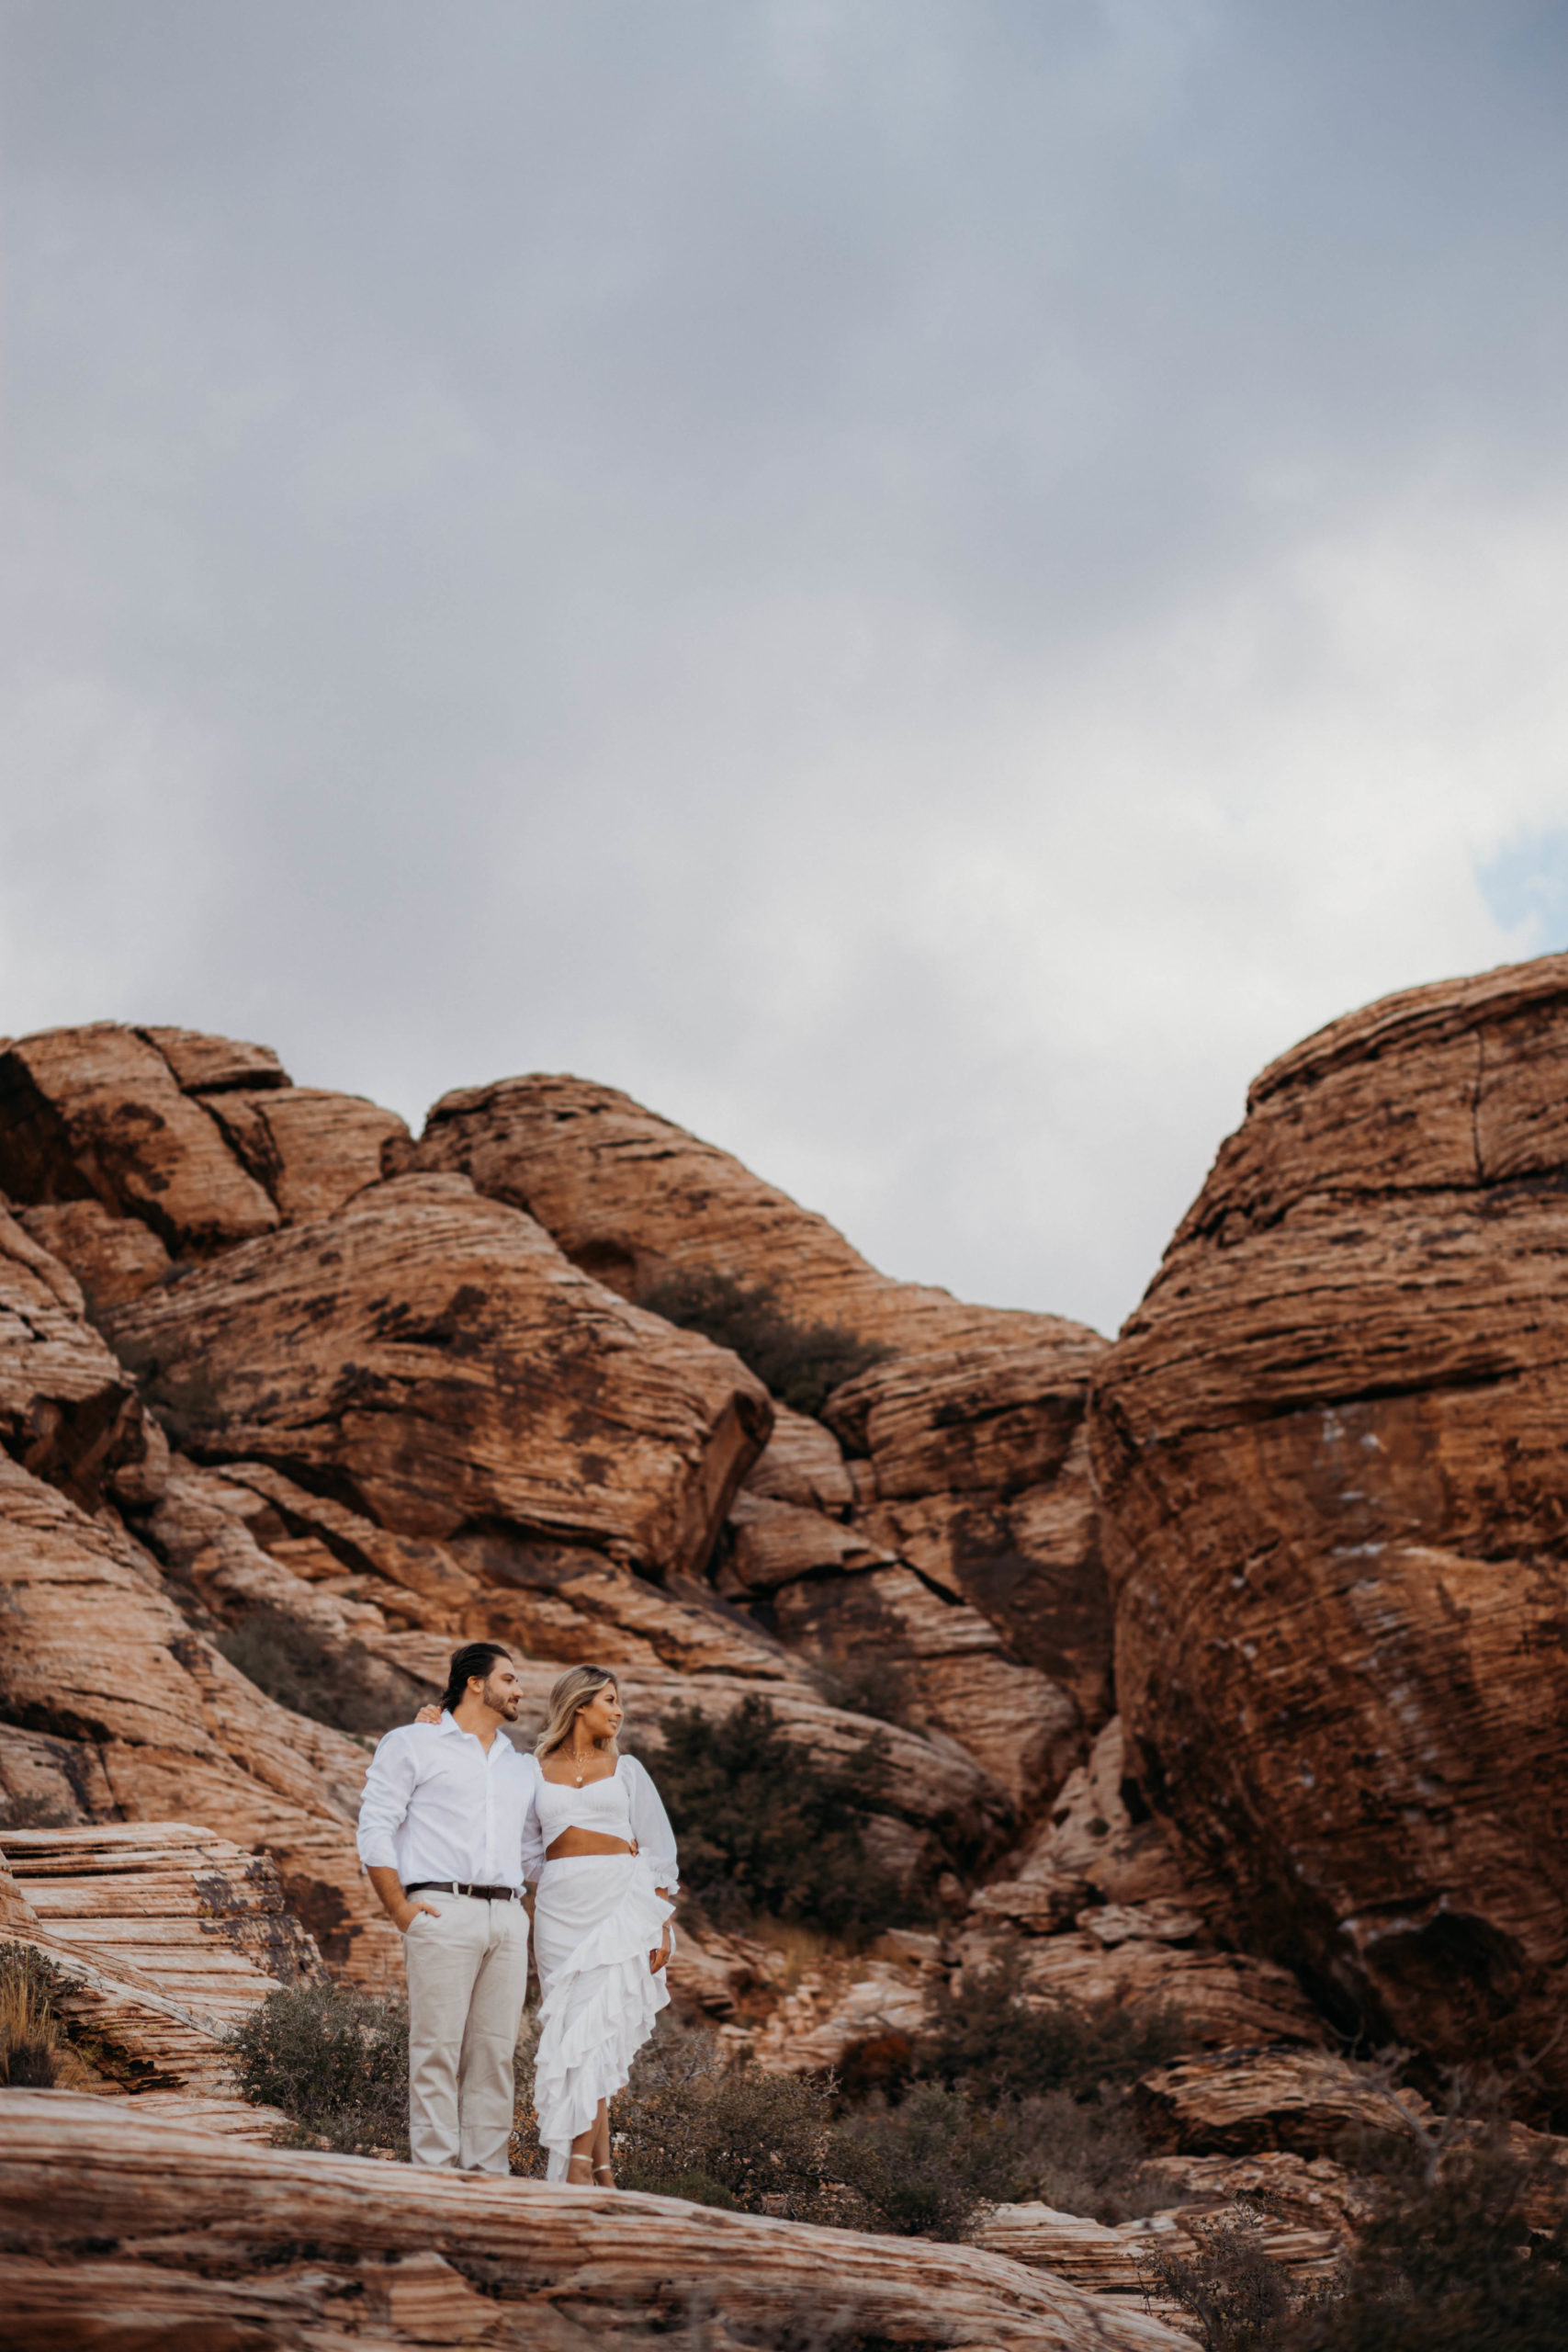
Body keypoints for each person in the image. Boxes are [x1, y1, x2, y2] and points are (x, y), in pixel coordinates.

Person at [417, 1663, 677, 2186]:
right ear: (579, 1705)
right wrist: (437, 1726)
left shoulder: (627, 1770)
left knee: (596, 2031)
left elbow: (659, 1847)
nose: (619, 1711)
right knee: (572, 2035)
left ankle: (577, 2167)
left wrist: (660, 1922)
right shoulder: (531, 1769)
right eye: (609, 1700)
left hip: (618, 1904)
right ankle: (602, 2171)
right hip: (560, 1907)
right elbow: (523, 1849)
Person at [357, 1641, 538, 2174]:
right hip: (440, 1909)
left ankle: (487, 2176)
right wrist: (399, 1909)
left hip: (508, 1918)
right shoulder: (413, 1742)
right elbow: (375, 1827)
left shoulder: (521, 1766)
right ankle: (435, 2175)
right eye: (509, 1679)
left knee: (495, 2055)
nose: (520, 1690)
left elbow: (532, 1853)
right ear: (475, 1683)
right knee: (436, 2050)